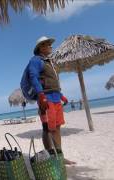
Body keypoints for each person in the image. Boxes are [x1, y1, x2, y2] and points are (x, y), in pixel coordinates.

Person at [28, 36, 75, 165]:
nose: (51, 46)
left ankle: (60, 156)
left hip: (55, 98)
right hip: (46, 99)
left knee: (57, 128)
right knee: (48, 129)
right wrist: (41, 95)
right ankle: (51, 156)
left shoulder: (50, 62)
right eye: (48, 44)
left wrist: (61, 95)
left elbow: (51, 82)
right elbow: (33, 77)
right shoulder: (36, 60)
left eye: (50, 44)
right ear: (41, 47)